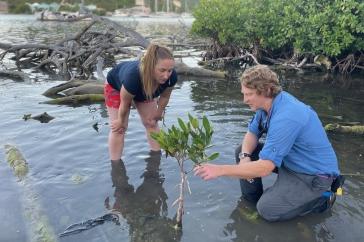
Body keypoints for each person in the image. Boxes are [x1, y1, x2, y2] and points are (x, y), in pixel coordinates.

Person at [194, 65, 344, 222]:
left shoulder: (287, 116)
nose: (244, 100)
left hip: (313, 175)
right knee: (242, 150)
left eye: (249, 94)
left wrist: (220, 170)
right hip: (291, 161)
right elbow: (252, 133)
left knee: (267, 210)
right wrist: (245, 157)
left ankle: (323, 199)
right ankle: (251, 202)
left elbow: (265, 168)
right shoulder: (265, 106)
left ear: (265, 91)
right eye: (243, 94)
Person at [104, 44, 177, 161]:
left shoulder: (171, 77)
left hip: (144, 89)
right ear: (150, 67)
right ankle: (115, 165)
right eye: (162, 70)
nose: (166, 75)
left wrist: (159, 112)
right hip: (116, 86)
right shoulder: (133, 77)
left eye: (169, 70)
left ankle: (156, 159)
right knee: (119, 128)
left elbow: (164, 97)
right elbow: (125, 104)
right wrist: (120, 121)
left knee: (152, 123)